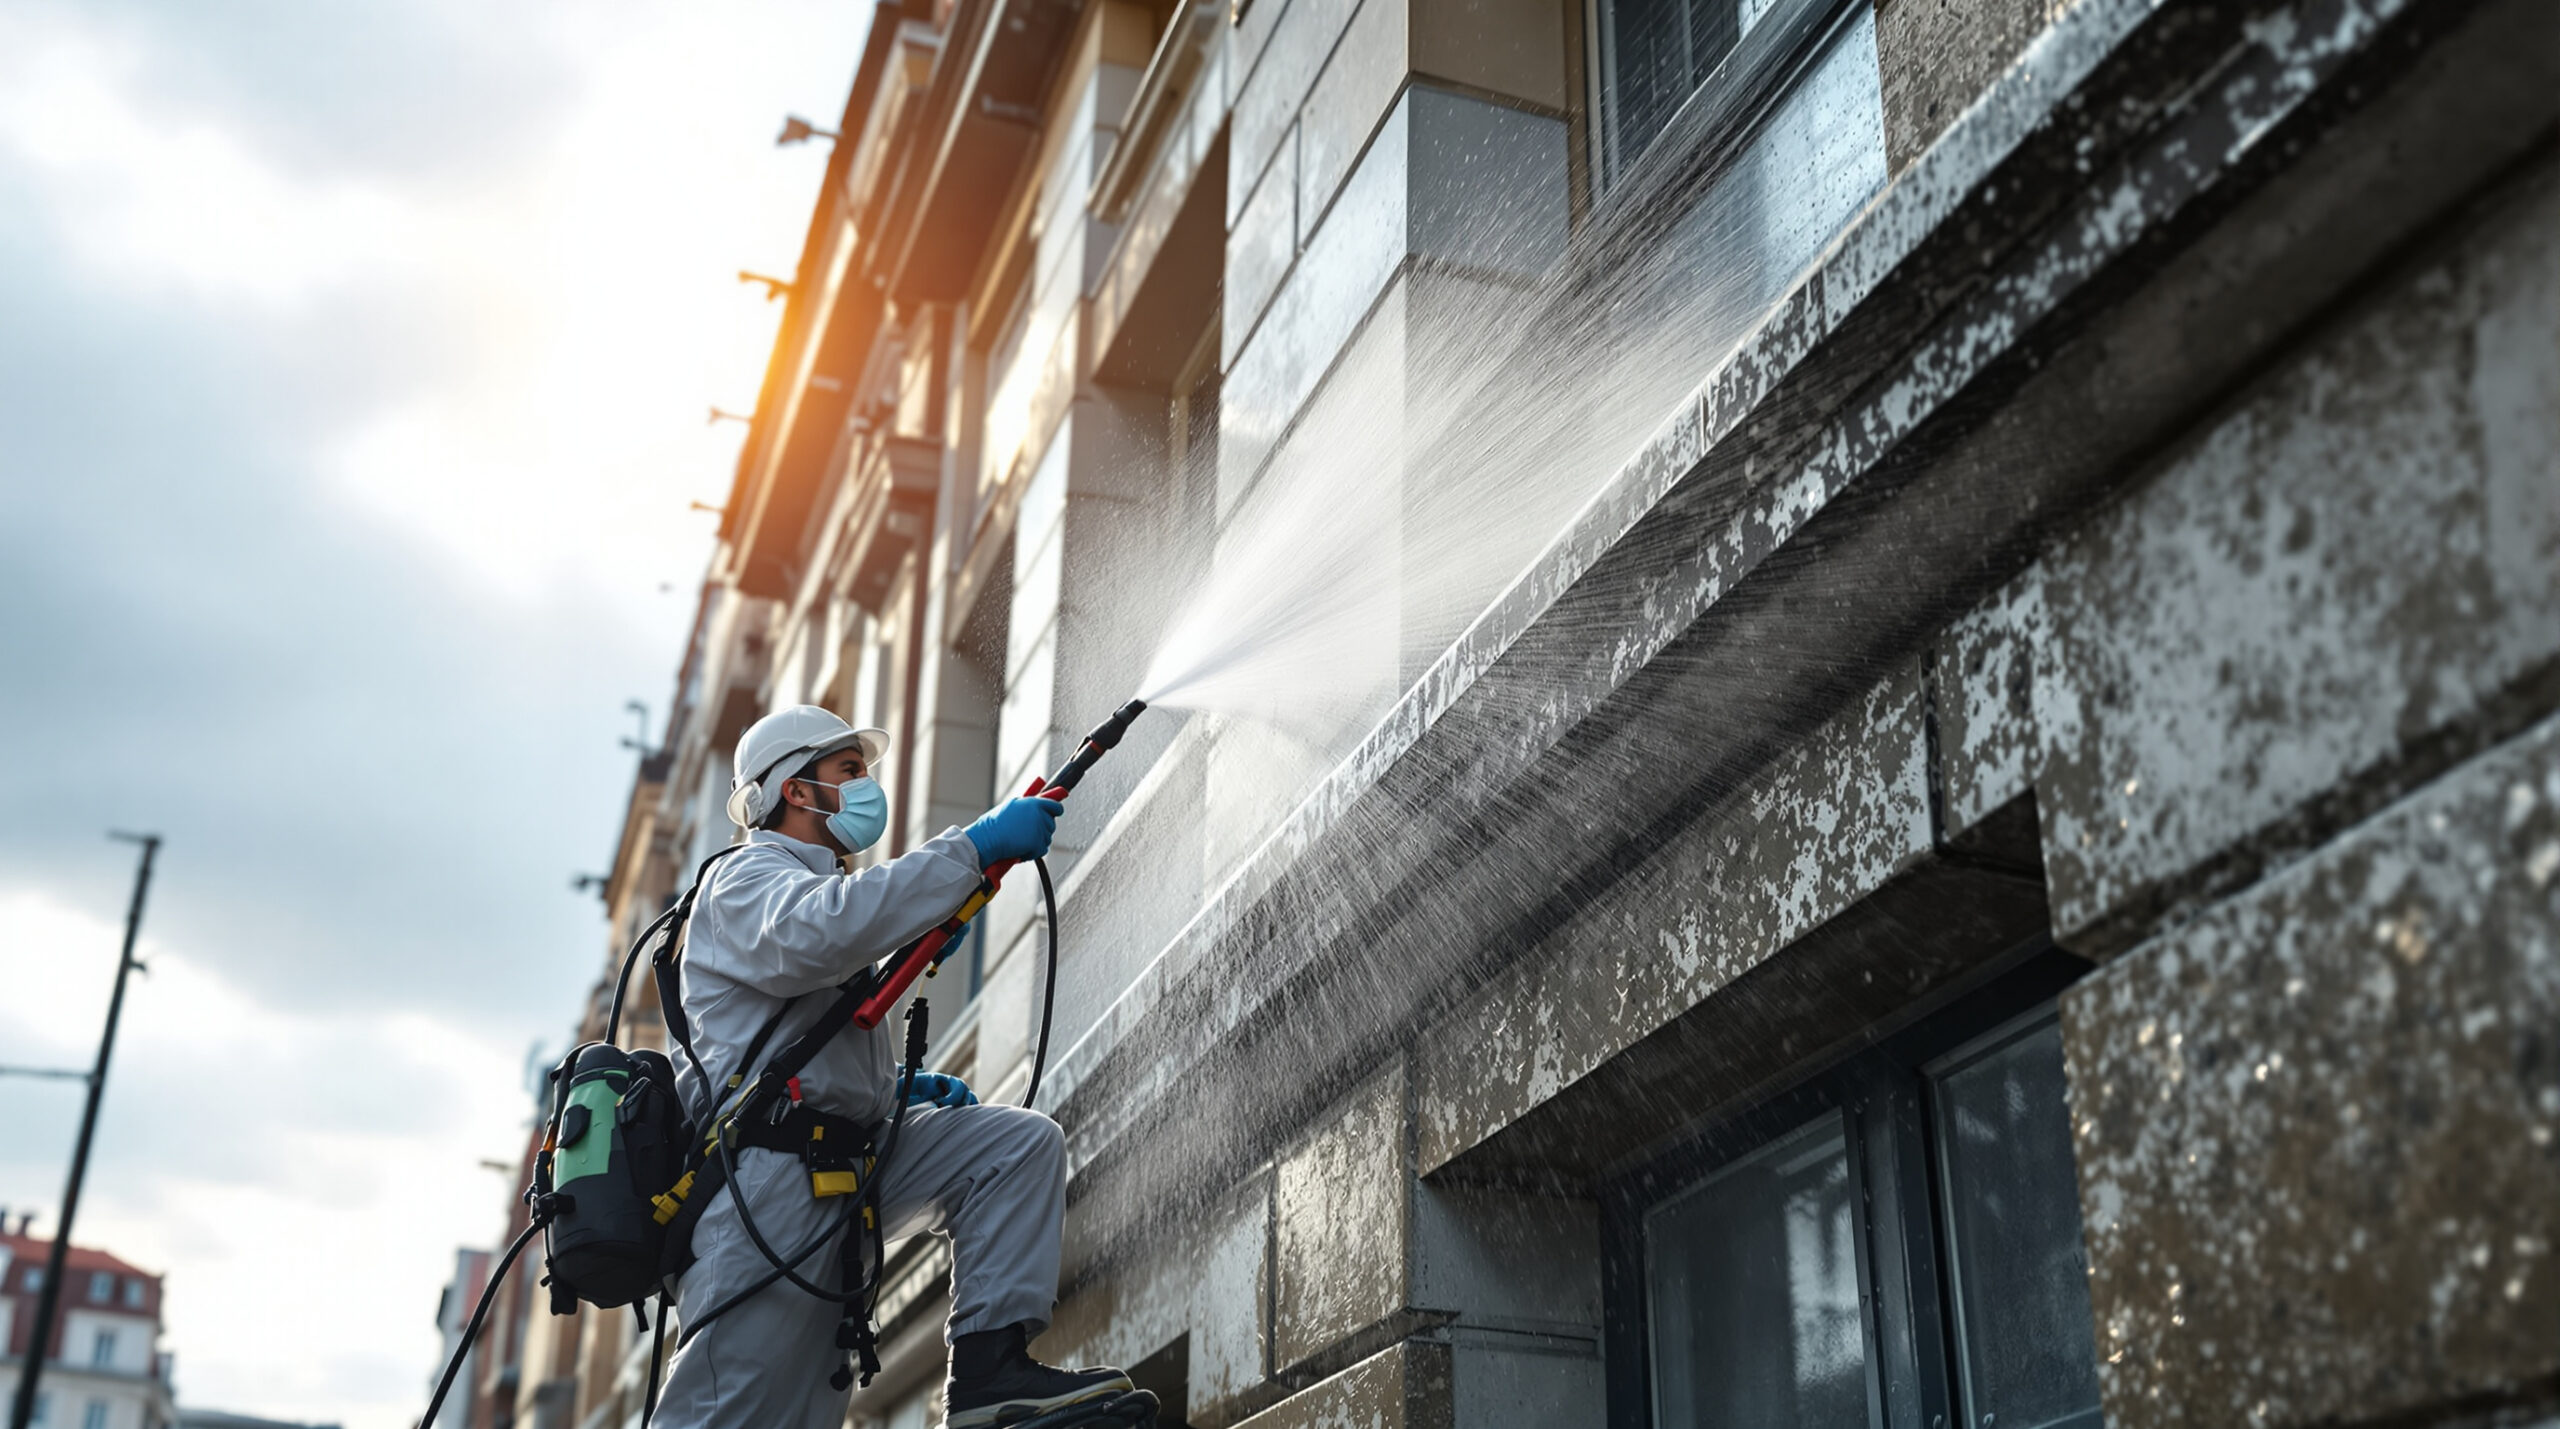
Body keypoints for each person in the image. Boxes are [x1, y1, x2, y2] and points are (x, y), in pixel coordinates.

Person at [652, 705, 1141, 1429]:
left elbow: (811, 1007)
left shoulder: (813, 884)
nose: (863, 785)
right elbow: (824, 933)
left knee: (1013, 1147)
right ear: (795, 787)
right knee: (731, 1414)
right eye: (849, 769)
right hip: (768, 1182)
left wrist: (888, 1091)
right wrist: (972, 847)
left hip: (844, 1162)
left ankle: (987, 1378)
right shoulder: (744, 876)